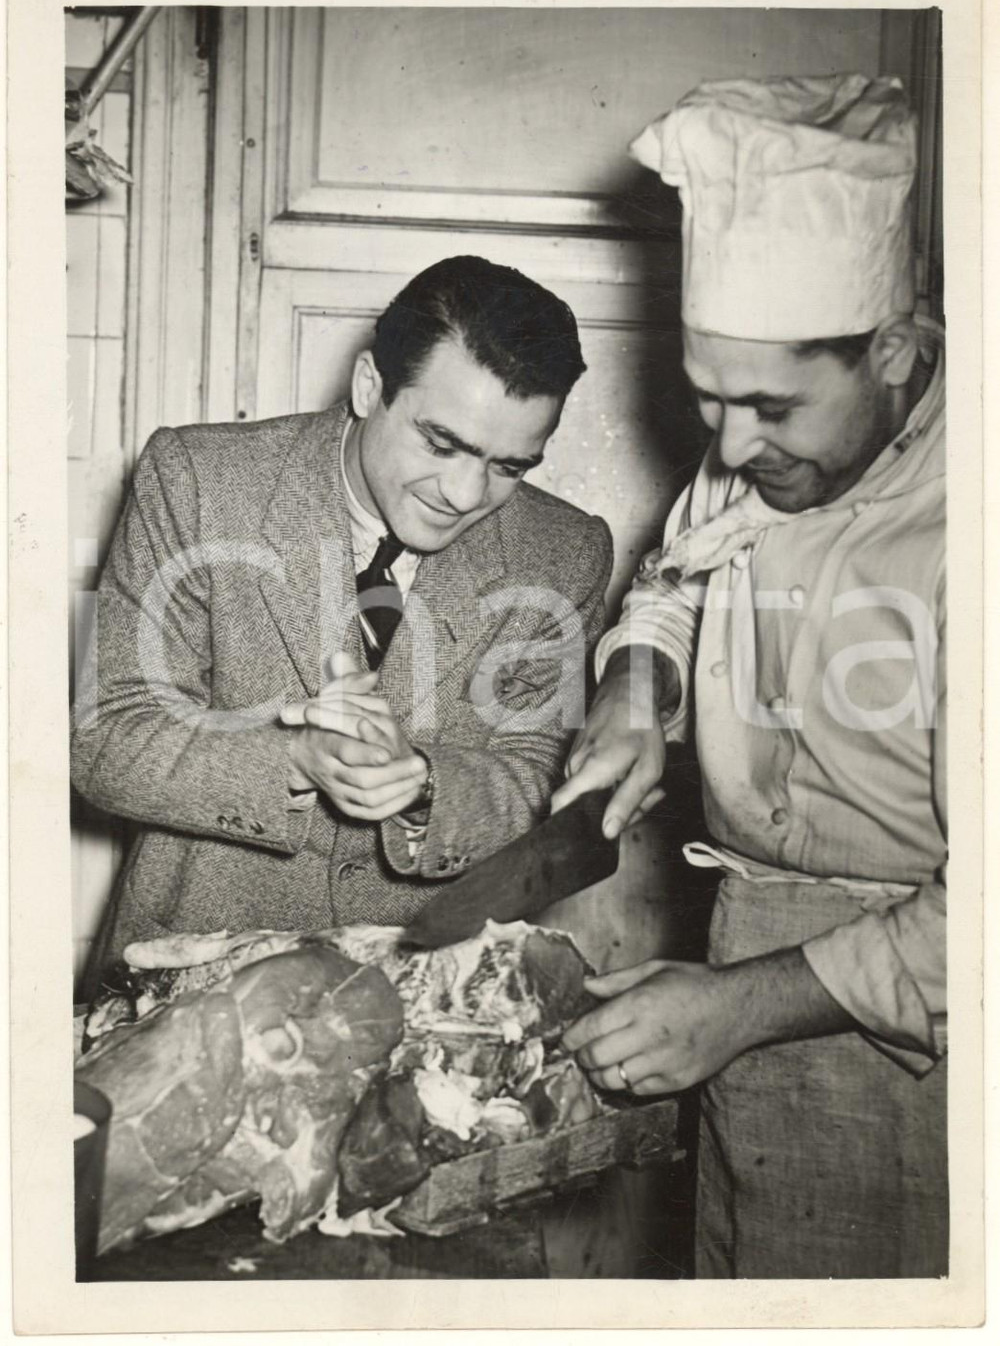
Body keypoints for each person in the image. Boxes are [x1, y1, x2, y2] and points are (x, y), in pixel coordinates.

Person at [555, 76, 947, 1278]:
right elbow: (675, 580)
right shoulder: (762, 460)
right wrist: (633, 684)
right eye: (706, 399)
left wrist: (738, 1008)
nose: (727, 450)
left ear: (893, 350)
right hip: (739, 952)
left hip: (918, 1020)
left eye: (770, 405)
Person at [73, 255, 613, 989]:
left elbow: (540, 778)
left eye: (510, 466)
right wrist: (293, 759)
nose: (463, 492)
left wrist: (425, 782)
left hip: (423, 1003)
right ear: (369, 387)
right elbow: (106, 736)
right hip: (186, 980)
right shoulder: (196, 479)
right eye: (441, 443)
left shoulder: (566, 551)